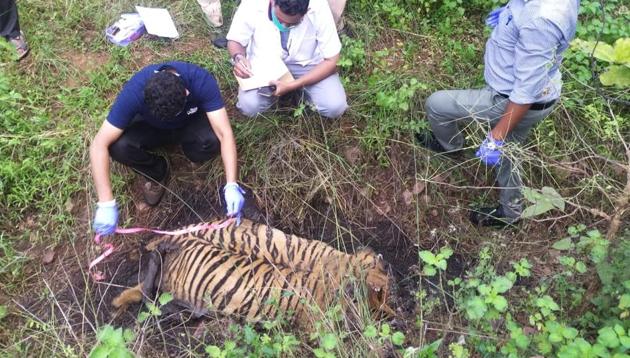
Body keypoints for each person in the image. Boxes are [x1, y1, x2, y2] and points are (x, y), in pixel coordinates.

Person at [417, 0, 579, 227]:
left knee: (437, 104)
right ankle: (511, 212)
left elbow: (525, 92)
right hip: (536, 93)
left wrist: (496, 136)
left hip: (512, 101)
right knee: (510, 152)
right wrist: (512, 13)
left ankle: (450, 147)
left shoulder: (541, 21)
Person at [90, 61, 245, 236]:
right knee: (119, 147)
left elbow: (225, 133)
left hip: (189, 122)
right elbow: (98, 145)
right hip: (152, 128)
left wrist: (231, 184)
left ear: (186, 93)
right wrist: (105, 203)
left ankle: (192, 157)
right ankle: (158, 170)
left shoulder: (200, 80)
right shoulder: (135, 90)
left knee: (212, 140)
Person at [226, 0, 348, 119]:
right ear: (272, 2)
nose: (284, 26)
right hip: (265, 64)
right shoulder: (252, 3)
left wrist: (293, 85)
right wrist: (238, 57)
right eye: (279, 20)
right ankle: (284, 94)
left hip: (307, 65)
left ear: (306, 11)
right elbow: (235, 40)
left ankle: (298, 90)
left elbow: (332, 60)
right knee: (250, 107)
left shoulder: (318, 5)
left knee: (334, 106)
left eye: (293, 24)